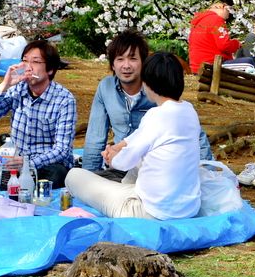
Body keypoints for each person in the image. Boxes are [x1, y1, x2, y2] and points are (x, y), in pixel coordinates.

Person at [65, 51, 202, 220]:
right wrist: (120, 146)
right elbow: (141, 135)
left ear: (148, 83)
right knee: (144, 157)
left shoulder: (156, 115)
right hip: (189, 209)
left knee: (74, 176)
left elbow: (123, 162)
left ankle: (124, 195)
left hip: (149, 212)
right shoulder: (188, 110)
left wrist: (111, 157)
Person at [84, 30, 213, 180]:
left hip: (153, 169)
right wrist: (90, 174)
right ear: (112, 64)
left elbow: (196, 135)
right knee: (82, 179)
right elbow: (95, 136)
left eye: (133, 59)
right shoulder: (106, 88)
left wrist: (207, 172)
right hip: (120, 168)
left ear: (144, 62)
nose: (126, 66)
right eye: (120, 59)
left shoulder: (158, 92)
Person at [0, 39, 76, 188]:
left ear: (50, 69)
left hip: (46, 164)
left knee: (56, 174)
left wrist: (28, 163)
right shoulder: (18, 89)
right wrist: (5, 85)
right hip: (16, 161)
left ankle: (18, 184)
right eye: (24, 61)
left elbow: (62, 150)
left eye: (35, 62)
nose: (28, 67)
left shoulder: (64, 99)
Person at [187, 0, 240, 74]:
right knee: (249, 63)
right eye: (229, 11)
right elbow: (224, 45)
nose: (228, 15)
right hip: (212, 66)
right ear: (223, 6)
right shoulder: (216, 19)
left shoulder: (198, 22)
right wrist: (236, 44)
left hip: (197, 67)